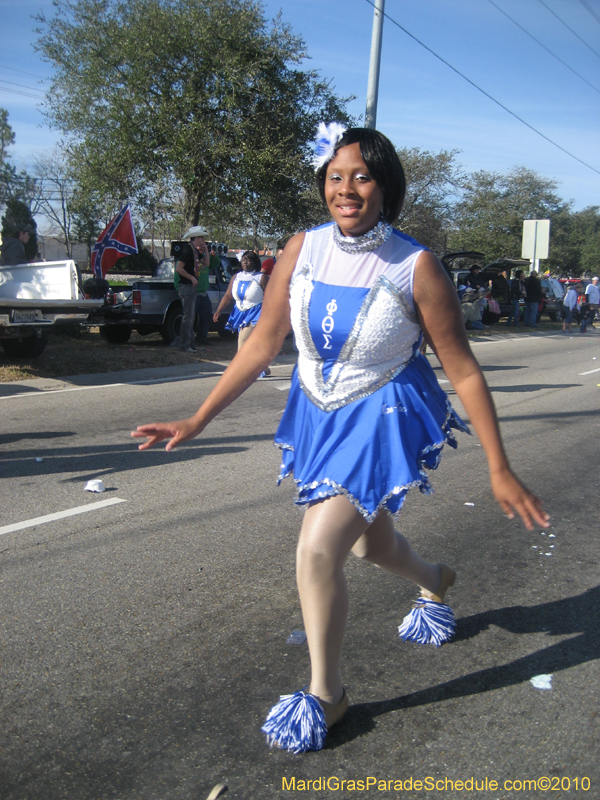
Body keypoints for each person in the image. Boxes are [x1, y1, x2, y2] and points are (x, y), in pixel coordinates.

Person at [132, 126, 549, 754]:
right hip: (320, 410)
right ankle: (436, 578)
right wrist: (197, 420)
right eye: (335, 176)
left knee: (318, 549)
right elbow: (265, 341)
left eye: (361, 176)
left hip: (382, 415)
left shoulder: (417, 265)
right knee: (369, 546)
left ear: (385, 186)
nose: (345, 189)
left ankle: (327, 695)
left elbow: (462, 367)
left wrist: (500, 466)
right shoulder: (301, 247)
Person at [213, 251, 270, 372]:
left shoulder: (262, 278)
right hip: (240, 311)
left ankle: (240, 371)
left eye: (249, 260)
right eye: (244, 259)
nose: (245, 262)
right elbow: (228, 296)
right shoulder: (236, 277)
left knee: (243, 339)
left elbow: (271, 297)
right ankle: (263, 366)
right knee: (250, 342)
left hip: (256, 312)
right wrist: (218, 310)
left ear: (255, 263)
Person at [174, 227, 209, 352]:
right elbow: (179, 268)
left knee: (191, 316)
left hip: (191, 287)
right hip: (186, 286)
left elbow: (206, 263)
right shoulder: (187, 250)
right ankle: (184, 344)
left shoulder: (194, 251)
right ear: (197, 237)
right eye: (202, 238)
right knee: (188, 317)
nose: (203, 240)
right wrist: (191, 278)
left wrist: (206, 251)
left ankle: (191, 343)